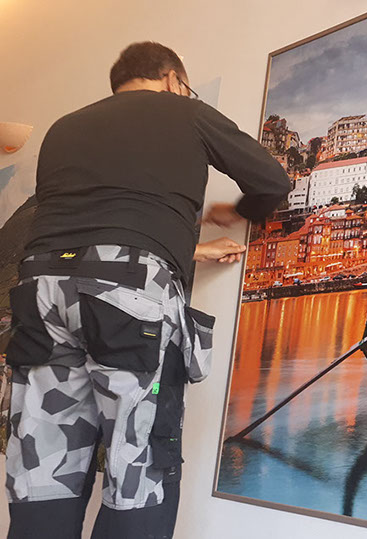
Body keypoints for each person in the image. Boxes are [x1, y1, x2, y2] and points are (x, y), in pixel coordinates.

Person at [3, 42, 290, 538]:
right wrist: (240, 210)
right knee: (137, 465)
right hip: (128, 297)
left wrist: (191, 248)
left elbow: (97, 230)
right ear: (173, 79)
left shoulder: (64, 128)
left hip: (41, 290)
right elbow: (272, 181)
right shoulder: (186, 112)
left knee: (44, 465)